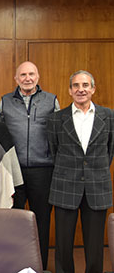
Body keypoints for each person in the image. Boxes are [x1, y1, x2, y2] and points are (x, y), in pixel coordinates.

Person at [47, 70, 114, 273]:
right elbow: (53, 150)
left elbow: (109, 150)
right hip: (65, 186)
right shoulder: (56, 119)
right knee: (63, 244)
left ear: (93, 89)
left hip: (97, 186)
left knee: (95, 246)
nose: (81, 89)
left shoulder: (109, 116)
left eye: (85, 85)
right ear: (70, 90)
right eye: (76, 86)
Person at [0, 61, 59, 270]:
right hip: (14, 170)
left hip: (43, 170)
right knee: (14, 219)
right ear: (16, 78)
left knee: (41, 219)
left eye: (31, 74)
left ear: (38, 76)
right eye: (23, 75)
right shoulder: (5, 101)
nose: (27, 78)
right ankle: (16, 266)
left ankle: (39, 266)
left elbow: (59, 135)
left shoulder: (51, 101)